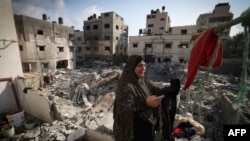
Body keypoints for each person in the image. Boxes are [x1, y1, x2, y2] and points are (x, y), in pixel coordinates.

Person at [113, 54, 180, 141]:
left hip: (147, 124)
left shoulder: (142, 80)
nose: (144, 68)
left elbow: (154, 89)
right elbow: (125, 110)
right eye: (140, 66)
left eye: (145, 65)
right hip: (134, 130)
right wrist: (146, 103)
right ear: (132, 67)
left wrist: (168, 91)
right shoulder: (125, 85)